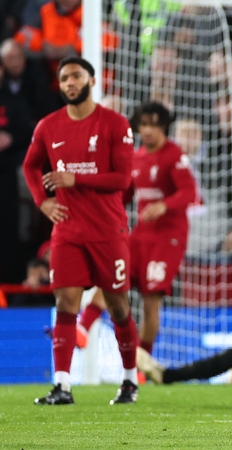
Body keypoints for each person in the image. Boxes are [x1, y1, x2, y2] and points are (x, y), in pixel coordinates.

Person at [22, 56, 140, 405]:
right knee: (65, 302)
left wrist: (77, 178)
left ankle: (130, 380)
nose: (69, 83)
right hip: (68, 230)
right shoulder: (48, 126)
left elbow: (122, 179)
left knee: (119, 308)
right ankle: (62, 385)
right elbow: (30, 166)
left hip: (108, 230)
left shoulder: (115, 124)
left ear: (91, 79)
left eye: (75, 76)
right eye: (63, 78)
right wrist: (42, 201)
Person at [78, 101, 198, 356]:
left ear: (165, 127)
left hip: (168, 237)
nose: (149, 130)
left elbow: (189, 192)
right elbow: (125, 195)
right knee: (111, 277)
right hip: (140, 235)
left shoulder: (175, 156)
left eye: (154, 125)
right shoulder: (136, 157)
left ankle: (142, 361)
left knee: (150, 300)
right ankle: (83, 328)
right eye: (144, 124)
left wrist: (163, 206)